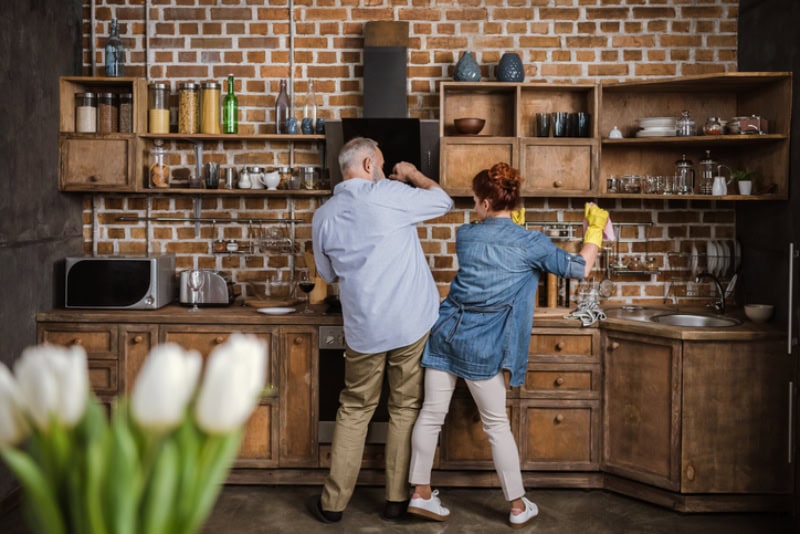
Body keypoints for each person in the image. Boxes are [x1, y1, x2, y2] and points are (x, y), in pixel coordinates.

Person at [405, 162, 608, 528]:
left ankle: (421, 494)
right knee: (496, 425)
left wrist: (514, 227)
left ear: (484, 203)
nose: (472, 207)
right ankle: (518, 506)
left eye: (474, 200)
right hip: (483, 347)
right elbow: (580, 268)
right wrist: (594, 232)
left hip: (446, 333)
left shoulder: (466, 235)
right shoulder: (530, 243)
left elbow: (496, 247)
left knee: (430, 416)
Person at [307, 137, 454, 523]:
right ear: (370, 165)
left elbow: (327, 274)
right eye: (384, 164)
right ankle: (396, 499)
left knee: (355, 409)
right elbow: (444, 201)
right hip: (410, 323)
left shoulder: (323, 216)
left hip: (364, 328)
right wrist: (411, 174)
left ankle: (333, 504)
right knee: (404, 408)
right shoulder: (390, 193)